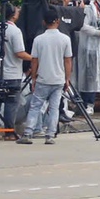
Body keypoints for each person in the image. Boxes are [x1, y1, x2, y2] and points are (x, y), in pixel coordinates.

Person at [23, 9, 73, 143]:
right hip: (58, 79)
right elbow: (68, 60)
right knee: (54, 108)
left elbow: (34, 60)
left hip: (43, 78)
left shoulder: (39, 40)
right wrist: (67, 78)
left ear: (44, 22)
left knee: (35, 106)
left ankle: (28, 133)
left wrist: (34, 77)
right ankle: (50, 135)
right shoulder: (65, 39)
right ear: (58, 21)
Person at [1, 2, 27, 137]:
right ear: (13, 15)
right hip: (12, 74)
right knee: (11, 104)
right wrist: (33, 57)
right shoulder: (15, 31)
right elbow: (19, 53)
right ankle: (9, 132)